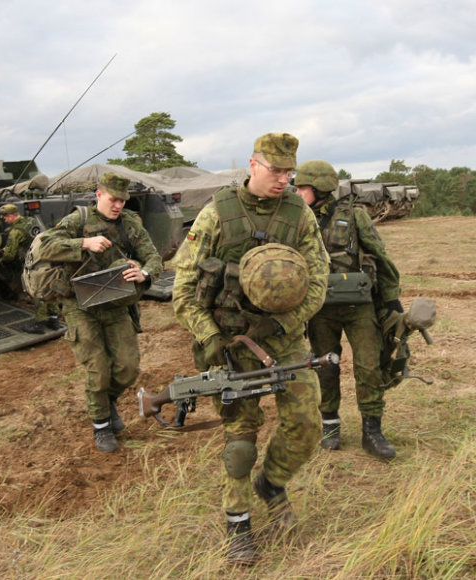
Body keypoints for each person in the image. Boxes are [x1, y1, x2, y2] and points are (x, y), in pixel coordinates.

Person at [172, 133, 329, 565]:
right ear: (252, 165)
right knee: (240, 439)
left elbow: (318, 282)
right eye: (275, 170)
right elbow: (183, 291)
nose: (284, 179)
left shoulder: (300, 216)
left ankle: (272, 484)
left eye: (289, 172)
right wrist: (209, 337)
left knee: (306, 425)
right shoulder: (216, 214)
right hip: (230, 344)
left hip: (284, 338)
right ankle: (238, 523)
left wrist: (283, 322)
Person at [36, 173, 163, 453]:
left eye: (122, 200)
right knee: (98, 368)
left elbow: (154, 257)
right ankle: (101, 425)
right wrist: (84, 243)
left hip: (116, 303)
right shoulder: (78, 220)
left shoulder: (130, 224)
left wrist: (144, 272)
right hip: (80, 306)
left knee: (127, 368)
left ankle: (108, 402)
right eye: (112, 199)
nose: (117, 205)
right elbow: (44, 246)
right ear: (99, 195)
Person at [294, 160, 404, 460]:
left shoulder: (354, 215)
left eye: (302, 187)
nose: (297, 192)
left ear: (320, 188)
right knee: (325, 367)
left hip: (359, 306)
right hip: (319, 308)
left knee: (369, 365)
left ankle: (372, 430)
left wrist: (391, 298)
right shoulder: (296, 220)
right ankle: (330, 425)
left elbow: (380, 255)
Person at [0, 203, 60, 333]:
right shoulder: (31, 221)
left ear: (10, 216)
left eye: (5, 218)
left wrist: (2, 257)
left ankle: (39, 324)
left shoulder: (15, 232)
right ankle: (54, 319)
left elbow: (10, 255)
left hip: (32, 263)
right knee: (48, 288)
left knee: (35, 291)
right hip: (45, 259)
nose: (4, 220)